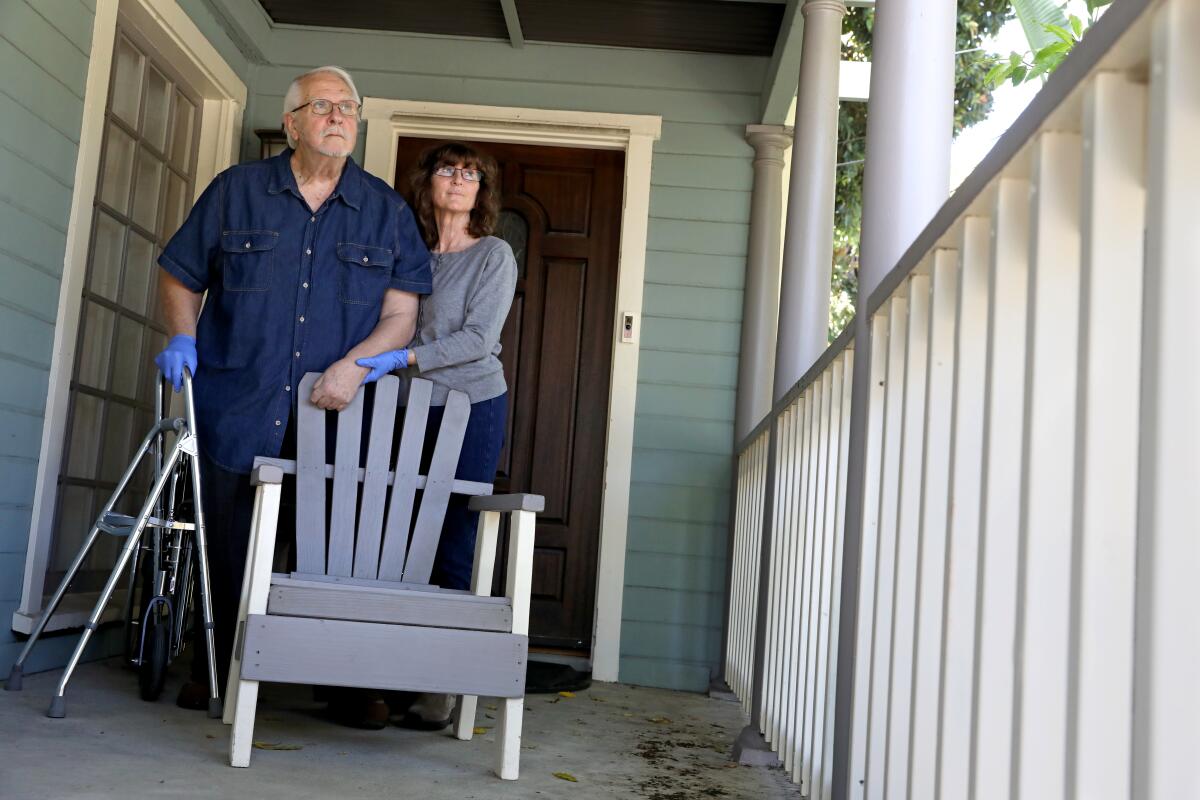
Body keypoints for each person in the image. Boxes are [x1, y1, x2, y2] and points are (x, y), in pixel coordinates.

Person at [153, 65, 432, 713]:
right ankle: (215, 664)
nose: (339, 117)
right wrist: (182, 336)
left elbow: (401, 315)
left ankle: (339, 682)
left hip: (336, 415)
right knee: (226, 543)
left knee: (332, 548)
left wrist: (357, 365)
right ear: (292, 122)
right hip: (236, 399)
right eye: (323, 106)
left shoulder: (385, 210)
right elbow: (180, 276)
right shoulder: (235, 192)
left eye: (348, 108)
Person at [356, 141, 518, 729]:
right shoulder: (407, 252)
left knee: (452, 533)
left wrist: (402, 357)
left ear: (481, 191)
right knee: (395, 537)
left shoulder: (493, 255)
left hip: (471, 404)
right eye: (447, 170)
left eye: (470, 174)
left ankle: (441, 689)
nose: (457, 180)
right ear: (427, 184)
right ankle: (383, 676)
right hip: (403, 406)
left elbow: (477, 340)